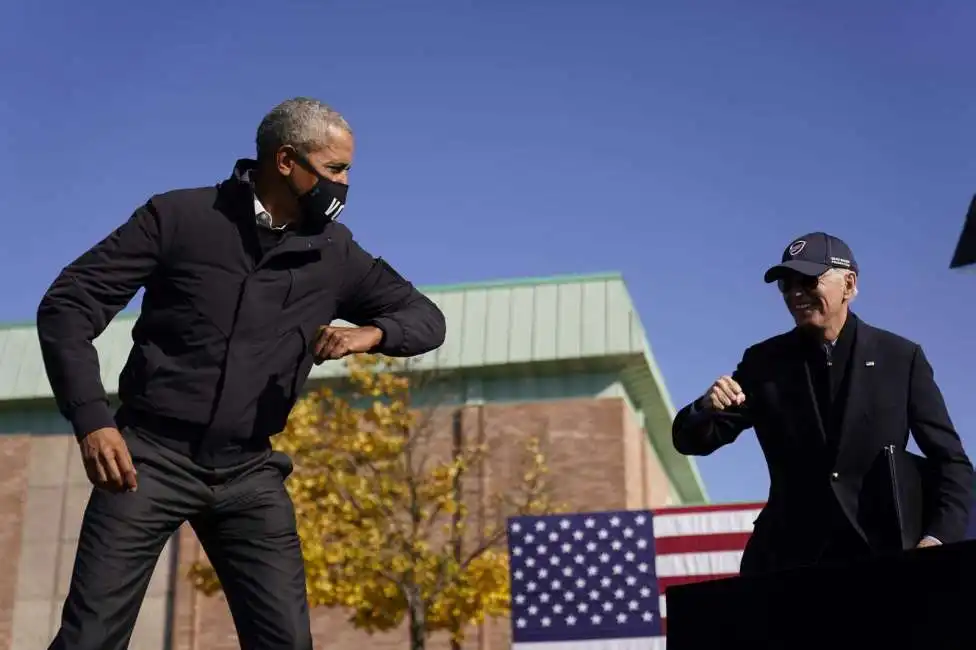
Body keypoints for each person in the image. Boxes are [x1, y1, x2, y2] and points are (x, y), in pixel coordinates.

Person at [37, 97, 446, 649]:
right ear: (285, 161)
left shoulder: (334, 252)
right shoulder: (178, 218)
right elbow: (69, 304)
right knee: (91, 638)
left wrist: (370, 334)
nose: (346, 183)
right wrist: (92, 420)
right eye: (335, 169)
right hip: (147, 459)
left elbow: (425, 318)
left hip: (249, 473)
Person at [672, 232, 972, 576]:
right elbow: (692, 441)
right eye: (786, 284)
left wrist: (936, 539)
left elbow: (952, 463)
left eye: (809, 280)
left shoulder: (901, 358)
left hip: (882, 561)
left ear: (849, 284)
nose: (796, 292)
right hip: (786, 564)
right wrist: (704, 407)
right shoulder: (763, 362)